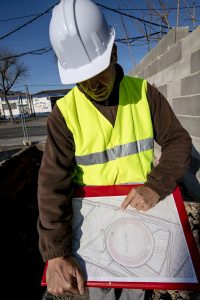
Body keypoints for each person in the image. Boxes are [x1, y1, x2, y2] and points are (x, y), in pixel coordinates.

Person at [37, 0, 192, 299]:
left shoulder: (144, 94)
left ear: (114, 53)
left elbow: (178, 141)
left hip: (141, 216)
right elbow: (52, 185)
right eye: (83, 80)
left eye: (99, 73)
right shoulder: (64, 114)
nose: (93, 86)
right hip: (91, 226)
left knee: (138, 289)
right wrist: (55, 252)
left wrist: (155, 186)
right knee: (100, 293)